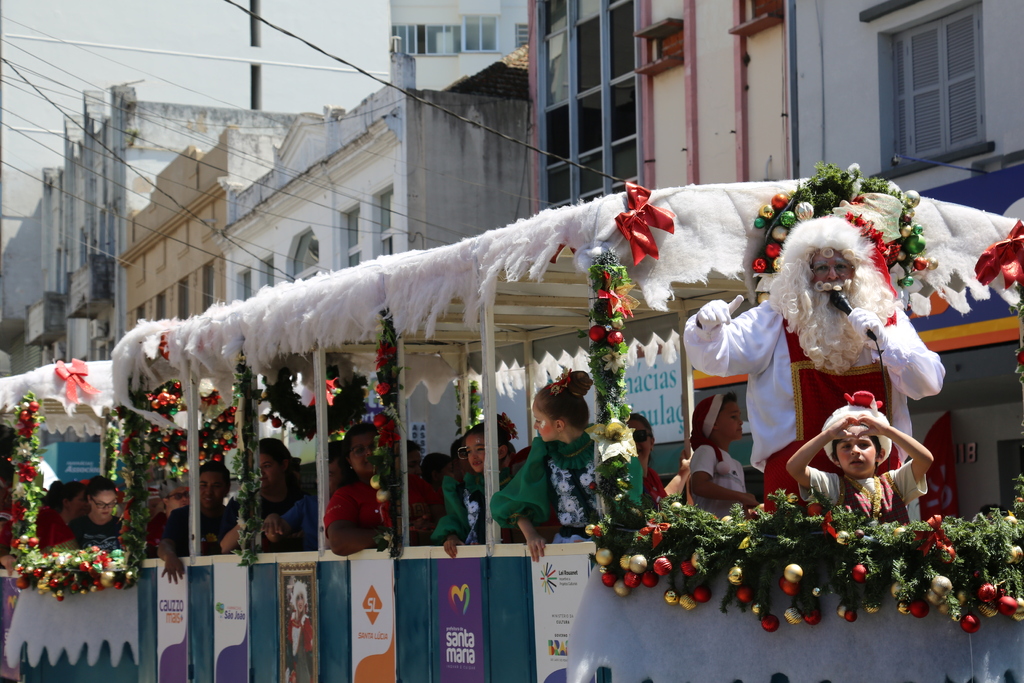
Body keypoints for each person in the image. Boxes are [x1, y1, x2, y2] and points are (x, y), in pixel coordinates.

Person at [683, 215, 944, 506]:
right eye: (821, 267)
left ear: (858, 271)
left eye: (841, 266)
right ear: (804, 274)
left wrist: (885, 340)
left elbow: (929, 383)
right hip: (795, 480)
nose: (832, 277)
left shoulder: (886, 317)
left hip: (875, 479)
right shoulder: (776, 317)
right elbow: (718, 359)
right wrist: (707, 329)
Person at [491, 370, 643, 562]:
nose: (536, 426)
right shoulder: (544, 453)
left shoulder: (606, 444)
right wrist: (531, 535)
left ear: (559, 425)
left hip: (612, 549)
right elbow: (514, 499)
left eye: (539, 420)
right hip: (567, 547)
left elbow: (631, 497)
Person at [786, 391, 932, 522]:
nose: (855, 451)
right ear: (835, 459)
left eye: (863, 444)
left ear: (880, 454)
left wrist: (887, 430)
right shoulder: (832, 486)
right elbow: (794, 468)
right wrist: (828, 434)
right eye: (846, 446)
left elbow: (925, 460)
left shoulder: (895, 483)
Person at [433, 414, 519, 557]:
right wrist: (451, 537)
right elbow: (455, 519)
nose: (473, 456)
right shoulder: (464, 490)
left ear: (501, 451)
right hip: (471, 560)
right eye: (468, 451)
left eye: (479, 449)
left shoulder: (515, 485)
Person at [263, 441, 352, 552]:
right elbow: (274, 536)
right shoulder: (308, 504)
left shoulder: (359, 502)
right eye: (319, 474)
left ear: (347, 476)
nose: (318, 480)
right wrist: (273, 518)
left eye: (328, 475)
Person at [220, 438, 306, 553]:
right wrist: (249, 519)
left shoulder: (303, 501)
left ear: (284, 465)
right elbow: (224, 547)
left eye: (267, 466)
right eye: (255, 468)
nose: (260, 473)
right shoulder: (240, 503)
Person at [159, 461, 231, 582]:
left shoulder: (235, 517)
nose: (208, 491)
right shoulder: (180, 515)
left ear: (227, 488)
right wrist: (169, 556)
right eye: (203, 485)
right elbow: (165, 544)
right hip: (188, 582)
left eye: (216, 485)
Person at [687, 394, 757, 517]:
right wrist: (741, 496)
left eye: (739, 416)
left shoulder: (737, 465)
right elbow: (699, 486)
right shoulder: (705, 450)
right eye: (733, 416)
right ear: (714, 423)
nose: (740, 422)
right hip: (711, 532)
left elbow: (740, 505)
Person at [627, 413, 690, 505]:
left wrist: (683, 472)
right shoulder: (622, 481)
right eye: (627, 439)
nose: (633, 444)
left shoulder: (652, 475)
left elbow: (662, 504)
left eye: (639, 436)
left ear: (652, 442)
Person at [70, 476, 122, 552]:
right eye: (100, 504)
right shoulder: (76, 526)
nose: (106, 508)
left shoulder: (122, 525)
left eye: (111, 503)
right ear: (89, 499)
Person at [36, 480, 88, 552]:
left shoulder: (86, 527)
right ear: (66, 502)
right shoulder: (52, 526)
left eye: (89, 500)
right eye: (83, 500)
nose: (87, 504)